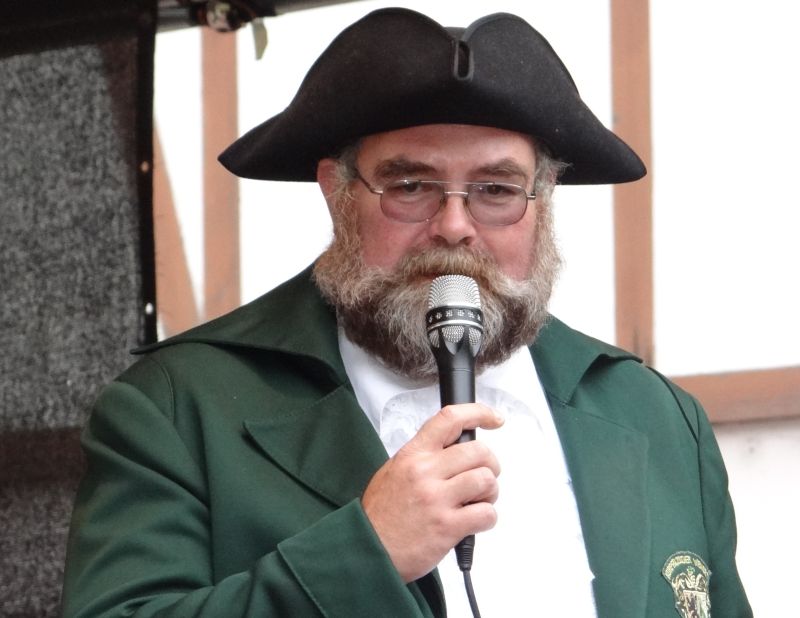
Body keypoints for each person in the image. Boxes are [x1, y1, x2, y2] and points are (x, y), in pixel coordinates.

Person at [62, 7, 752, 617]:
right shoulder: (178, 408)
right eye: (411, 185)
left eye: (496, 189)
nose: (454, 225)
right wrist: (367, 551)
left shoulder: (657, 417)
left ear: (543, 202)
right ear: (337, 192)